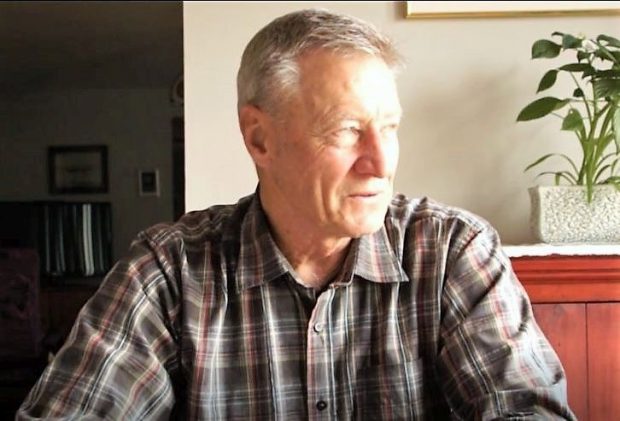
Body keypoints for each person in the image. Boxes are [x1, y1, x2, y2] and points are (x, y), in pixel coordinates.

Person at [17, 9, 575, 420]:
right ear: (260, 137)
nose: (381, 163)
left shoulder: (453, 251)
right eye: (346, 130)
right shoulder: (170, 271)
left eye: (390, 127)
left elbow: (527, 411)